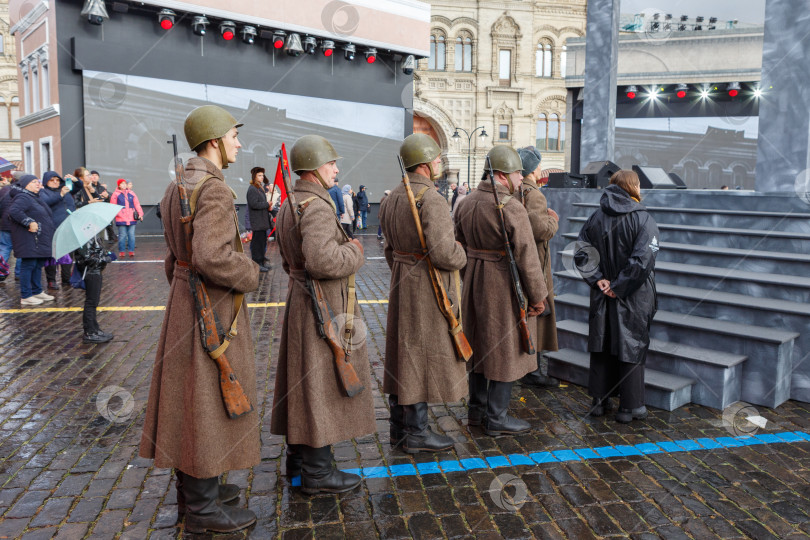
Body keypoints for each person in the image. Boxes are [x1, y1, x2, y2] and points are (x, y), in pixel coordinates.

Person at [140, 105, 260, 533]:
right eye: (233, 136)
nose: (238, 144)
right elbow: (211, 257)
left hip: (185, 304)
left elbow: (176, 258)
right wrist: (251, 273)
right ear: (214, 141)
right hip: (210, 308)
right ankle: (203, 511)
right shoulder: (213, 189)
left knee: (193, 402)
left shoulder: (179, 185)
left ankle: (197, 497)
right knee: (207, 402)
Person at [271, 134, 375, 494]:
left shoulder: (292, 203)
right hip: (322, 305)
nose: (337, 169)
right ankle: (318, 472)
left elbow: (291, 260)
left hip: (304, 301)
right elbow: (322, 260)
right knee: (319, 385)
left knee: (305, 382)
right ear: (315, 167)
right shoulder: (315, 206)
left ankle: (299, 460)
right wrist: (356, 251)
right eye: (332, 163)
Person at [379, 133, 468, 453]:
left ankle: (398, 428)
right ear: (427, 163)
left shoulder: (392, 197)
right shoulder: (431, 198)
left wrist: (403, 270)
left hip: (402, 280)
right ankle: (415, 432)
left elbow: (389, 249)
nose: (440, 163)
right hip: (428, 287)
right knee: (417, 355)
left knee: (401, 353)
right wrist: (462, 254)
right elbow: (445, 253)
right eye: (437, 158)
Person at [453, 146, 548, 436]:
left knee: (479, 346)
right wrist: (537, 296)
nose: (522, 178)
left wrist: (470, 273)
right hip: (504, 285)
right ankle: (497, 418)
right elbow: (527, 258)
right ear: (503, 175)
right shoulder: (511, 206)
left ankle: (476, 412)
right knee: (507, 350)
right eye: (518, 172)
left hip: (473, 282)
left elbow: (458, 246)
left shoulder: (466, 202)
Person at [575, 170, 659, 424]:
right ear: (633, 187)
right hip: (633, 294)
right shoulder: (643, 219)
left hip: (603, 291)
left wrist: (598, 278)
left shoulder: (596, 216)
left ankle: (599, 400)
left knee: (603, 342)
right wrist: (620, 286)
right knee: (631, 344)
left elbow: (581, 250)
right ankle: (631, 406)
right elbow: (643, 261)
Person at [517, 147, 560, 388]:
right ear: (534, 169)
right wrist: (553, 220)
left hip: (524, 260)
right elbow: (539, 230)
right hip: (536, 261)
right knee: (538, 315)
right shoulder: (534, 194)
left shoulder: (515, 190)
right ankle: (532, 372)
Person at [7, 175, 56, 306]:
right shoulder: (23, 197)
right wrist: (29, 222)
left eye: (38, 182)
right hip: (28, 238)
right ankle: (26, 295)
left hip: (39, 238)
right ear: (26, 184)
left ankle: (37, 291)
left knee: (38, 265)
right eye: (34, 182)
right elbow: (14, 211)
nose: (38, 184)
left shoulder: (34, 197)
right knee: (28, 265)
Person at [40, 171, 78, 288]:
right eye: (52, 180)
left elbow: (78, 187)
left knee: (68, 255)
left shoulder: (65, 189)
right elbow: (46, 202)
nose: (55, 182)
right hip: (53, 228)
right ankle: (51, 280)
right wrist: (60, 194)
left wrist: (76, 180)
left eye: (57, 180)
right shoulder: (43, 192)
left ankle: (67, 279)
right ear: (46, 181)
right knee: (53, 256)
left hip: (68, 227)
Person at [74, 236, 114, 343]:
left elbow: (96, 252)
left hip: (95, 272)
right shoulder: (84, 239)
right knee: (91, 302)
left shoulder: (93, 237)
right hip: (91, 273)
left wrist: (106, 254)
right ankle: (90, 332)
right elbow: (87, 258)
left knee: (93, 302)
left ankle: (94, 329)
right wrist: (104, 259)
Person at [110, 179, 144, 258]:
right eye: (122, 184)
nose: (124, 185)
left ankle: (131, 250)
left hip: (132, 218)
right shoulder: (115, 194)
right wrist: (119, 214)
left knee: (131, 235)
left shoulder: (132, 193)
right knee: (122, 235)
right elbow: (113, 206)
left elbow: (137, 204)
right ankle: (122, 251)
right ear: (119, 185)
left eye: (125, 183)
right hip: (121, 219)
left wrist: (140, 214)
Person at [246, 167, 271, 272]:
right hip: (257, 222)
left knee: (262, 243)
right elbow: (254, 204)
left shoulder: (259, 187)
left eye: (262, 175)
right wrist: (266, 204)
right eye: (259, 175)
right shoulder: (252, 188)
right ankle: (257, 263)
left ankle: (261, 261)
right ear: (254, 177)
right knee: (257, 244)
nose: (262, 177)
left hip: (262, 221)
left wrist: (268, 206)